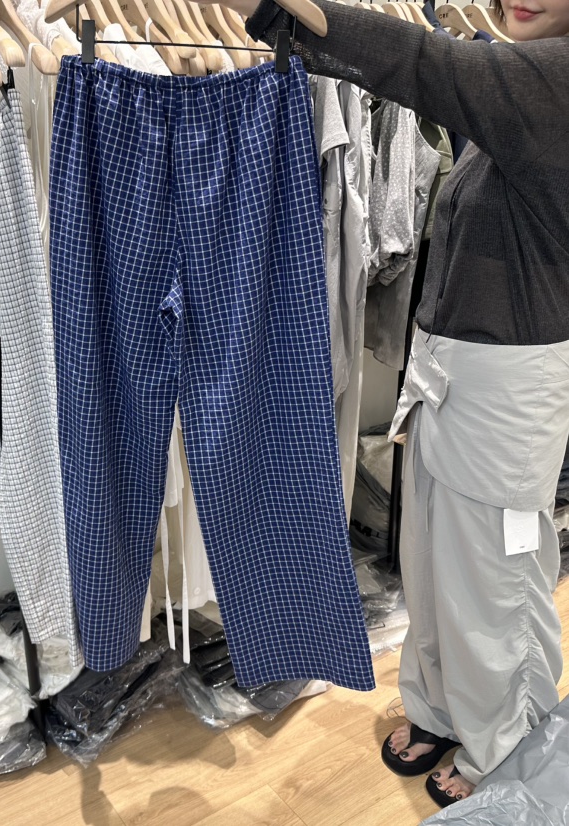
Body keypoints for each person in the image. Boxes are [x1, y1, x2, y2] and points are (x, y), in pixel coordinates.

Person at [199, 0, 569, 809]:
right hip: (456, 367)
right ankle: (444, 710)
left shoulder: (553, 78)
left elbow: (425, 63)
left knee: (494, 579)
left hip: (508, 383)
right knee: (434, 563)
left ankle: (507, 741)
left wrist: (277, 8)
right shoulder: (528, 78)